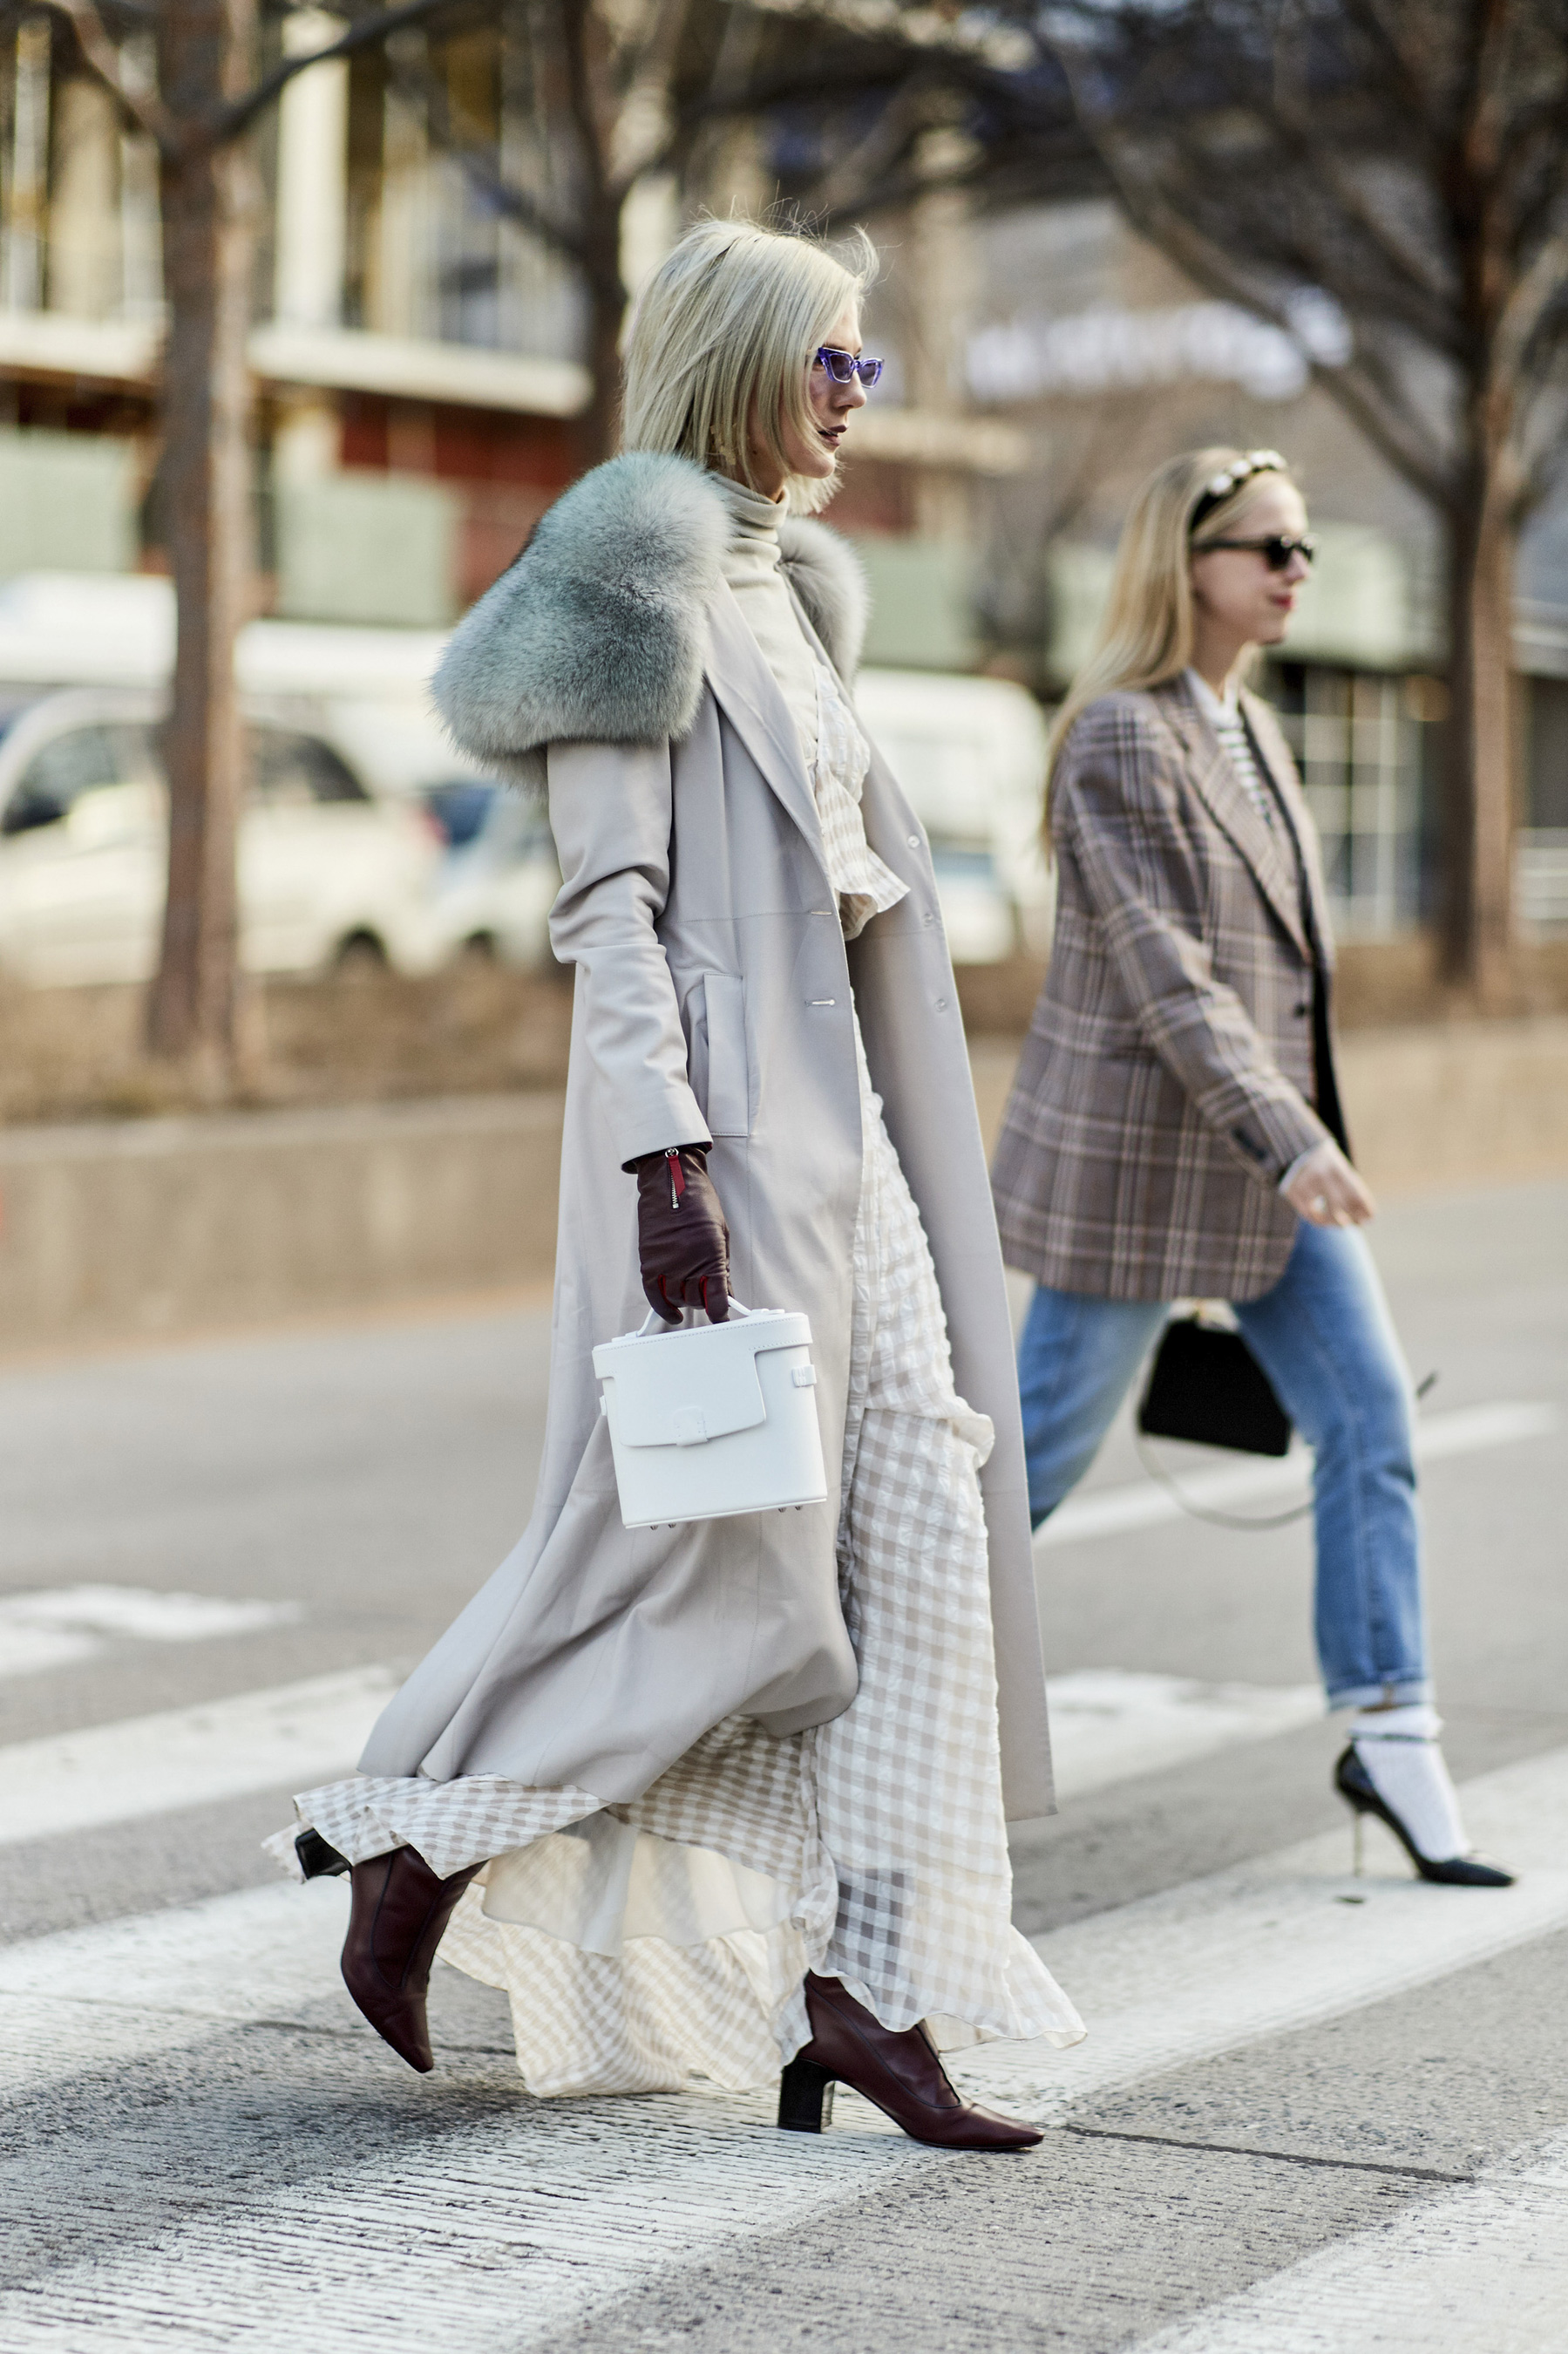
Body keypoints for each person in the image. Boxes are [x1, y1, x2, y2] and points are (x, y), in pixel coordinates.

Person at [268, 218, 1083, 2146]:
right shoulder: (631, 572)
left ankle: (866, 1993)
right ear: (742, 365)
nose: (862, 395)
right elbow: (606, 910)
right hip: (722, 1152)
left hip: (850, 1137)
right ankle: (421, 1842)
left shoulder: (784, 584)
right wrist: (665, 1166)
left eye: (868, 360)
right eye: (836, 361)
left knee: (926, 1547)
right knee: (711, 1576)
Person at [991, 446, 1512, 1889]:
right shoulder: (1115, 738)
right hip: (1141, 1176)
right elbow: (1170, 985)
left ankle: (1392, 1730)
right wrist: (1294, 1137)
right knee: (1020, 1470)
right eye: (1268, 549)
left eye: (1304, 552)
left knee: (1371, 1424)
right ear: (1188, 563)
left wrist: (1297, 1138)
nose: (1295, 573)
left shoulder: (1259, 731)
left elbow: (1283, 980)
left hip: (1272, 1167)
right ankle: (842, 1706)